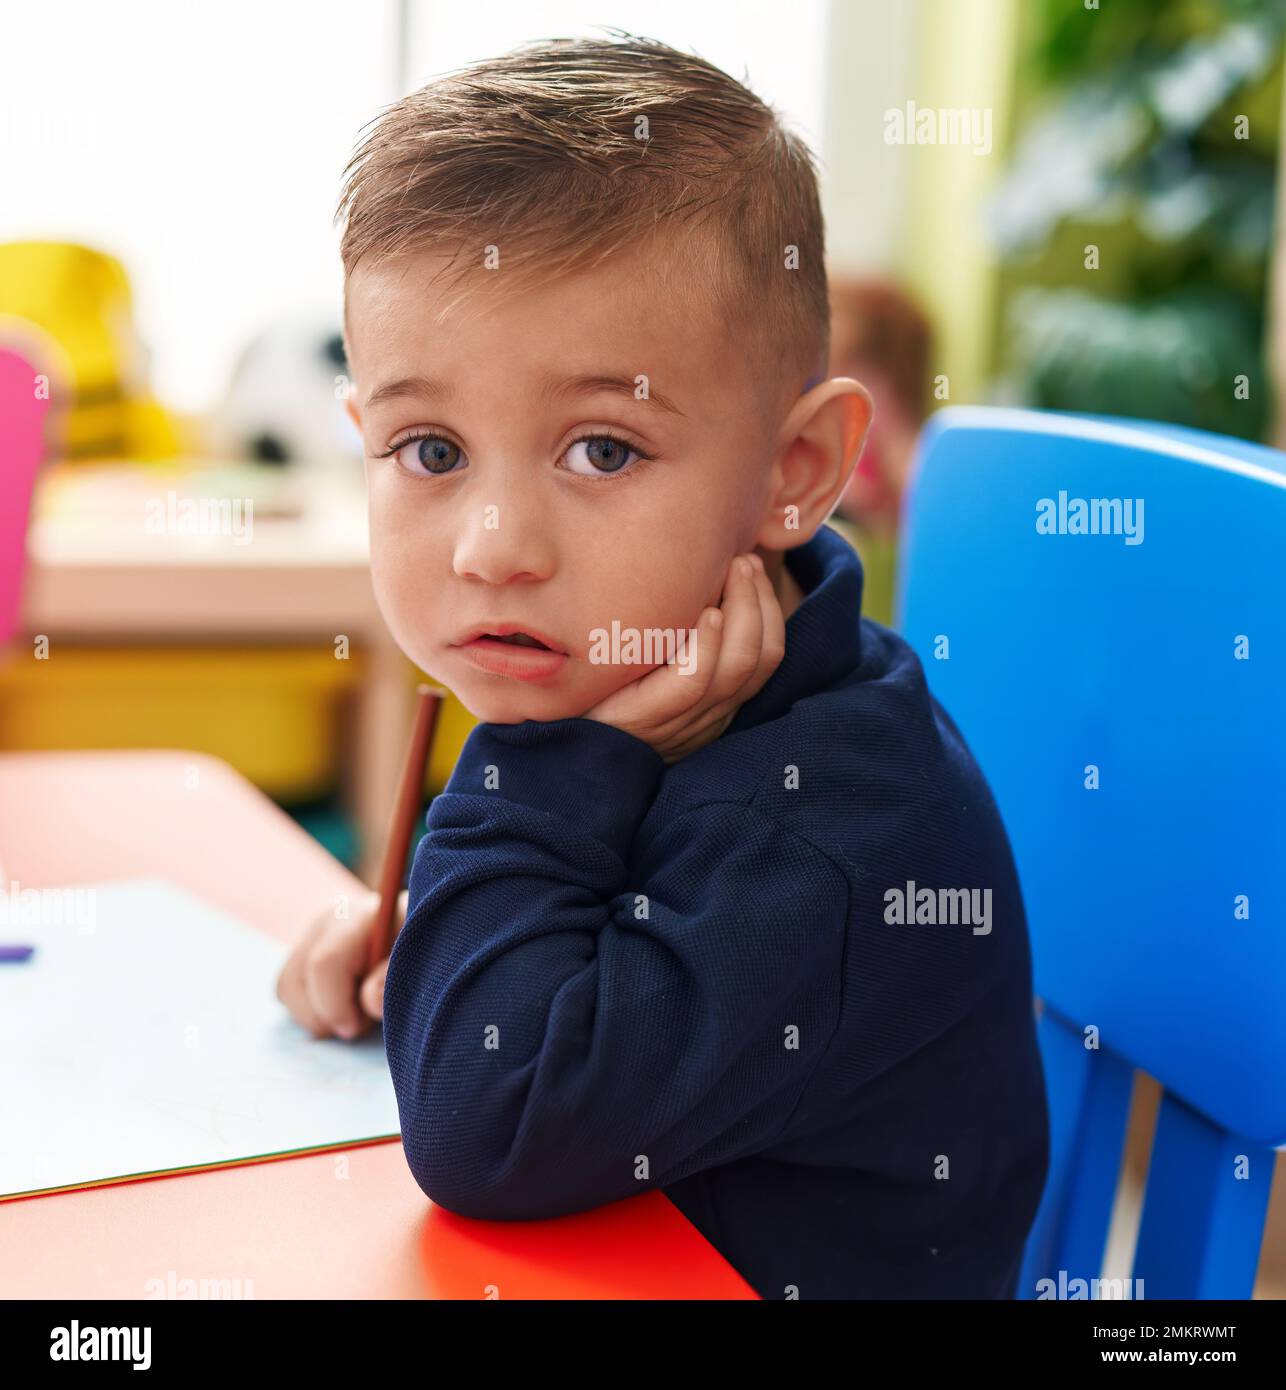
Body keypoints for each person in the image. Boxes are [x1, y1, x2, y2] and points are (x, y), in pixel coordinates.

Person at [277, 33, 1048, 1300]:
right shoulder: (670, 696)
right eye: (427, 450)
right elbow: (630, 976)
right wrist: (436, 944)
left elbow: (491, 1120)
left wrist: (537, 772)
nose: (493, 548)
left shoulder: (828, 825)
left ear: (794, 472)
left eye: (601, 451)